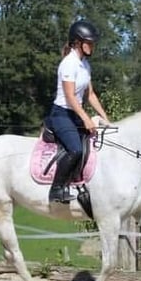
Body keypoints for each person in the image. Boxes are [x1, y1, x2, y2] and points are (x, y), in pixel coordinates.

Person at [44, 20, 110, 203]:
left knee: (97, 143)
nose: (92, 46)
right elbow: (71, 97)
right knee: (75, 149)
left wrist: (107, 120)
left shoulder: (85, 65)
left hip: (75, 113)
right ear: (77, 43)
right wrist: (86, 119)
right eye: (89, 42)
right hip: (61, 114)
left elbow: (90, 95)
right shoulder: (68, 64)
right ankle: (56, 190)